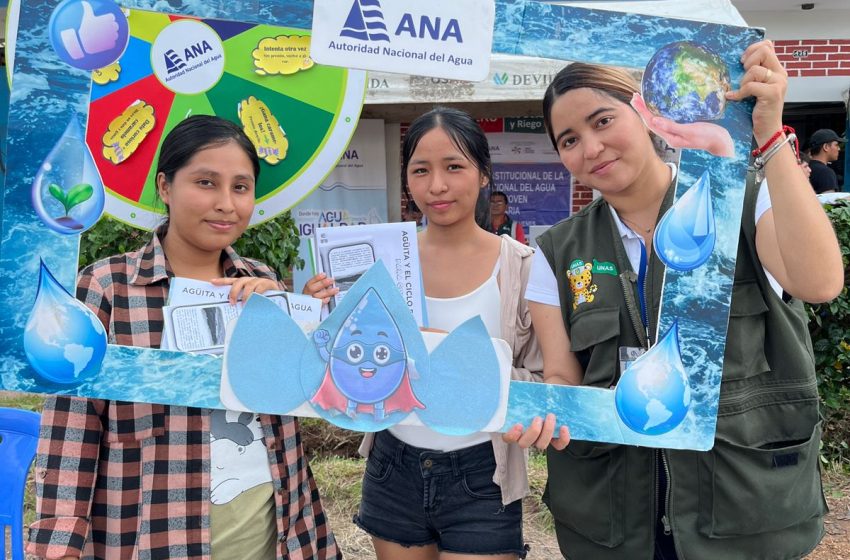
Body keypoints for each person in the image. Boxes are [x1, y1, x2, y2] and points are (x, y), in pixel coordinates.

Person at [518, 41, 843, 559]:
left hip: (743, 512)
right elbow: (562, 376)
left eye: (603, 121)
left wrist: (768, 137)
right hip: (615, 522)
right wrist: (546, 413)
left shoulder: (736, 200)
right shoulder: (557, 253)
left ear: (643, 110)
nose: (591, 148)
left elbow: (820, 282)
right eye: (570, 139)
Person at [27, 115, 340, 560]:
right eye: (206, 182)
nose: (226, 204)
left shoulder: (263, 281)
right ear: (165, 187)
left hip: (268, 533)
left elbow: (297, 397)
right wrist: (60, 544)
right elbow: (72, 427)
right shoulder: (107, 287)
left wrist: (297, 318)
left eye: (241, 187)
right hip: (151, 532)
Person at [334, 107, 543, 560]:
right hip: (394, 462)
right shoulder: (382, 260)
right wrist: (326, 311)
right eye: (421, 170)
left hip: (482, 471)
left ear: (484, 174)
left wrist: (455, 359)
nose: (438, 186)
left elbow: (545, 379)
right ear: (407, 179)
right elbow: (348, 364)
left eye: (454, 167)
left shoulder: (521, 265)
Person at [807, 128, 845, 194]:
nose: (839, 149)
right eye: (836, 145)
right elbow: (828, 202)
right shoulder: (825, 172)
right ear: (826, 147)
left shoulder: (804, 167)